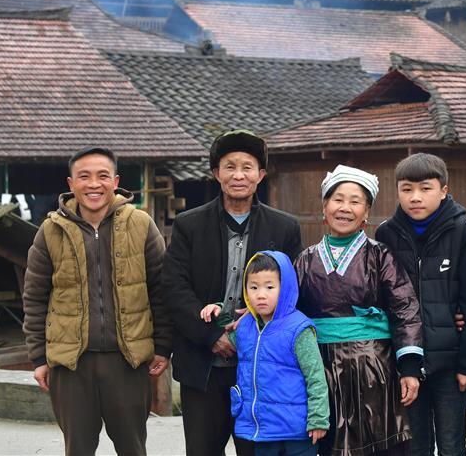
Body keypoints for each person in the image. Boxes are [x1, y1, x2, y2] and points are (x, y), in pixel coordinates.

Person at [23, 147, 171, 456]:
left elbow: (161, 289)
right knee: (78, 448)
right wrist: (38, 357)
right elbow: (35, 297)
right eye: (84, 177)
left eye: (103, 176)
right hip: (71, 364)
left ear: (115, 181)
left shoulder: (141, 224)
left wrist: (162, 345)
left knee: (133, 447)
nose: (94, 184)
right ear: (71, 183)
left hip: (127, 360)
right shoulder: (50, 232)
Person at [163, 129, 303, 456]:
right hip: (203, 363)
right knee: (202, 450)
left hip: (260, 365)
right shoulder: (189, 225)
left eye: (247, 167)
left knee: (255, 451)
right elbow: (174, 287)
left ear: (261, 175)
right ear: (216, 174)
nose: (238, 175)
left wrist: (256, 319)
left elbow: (294, 289)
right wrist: (211, 335)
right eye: (230, 167)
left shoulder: (284, 227)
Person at [294, 165, 424, 456]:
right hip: (321, 367)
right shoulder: (305, 260)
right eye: (337, 199)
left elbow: (405, 309)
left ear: (366, 213)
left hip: (374, 368)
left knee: (378, 443)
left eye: (355, 201)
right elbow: (288, 312)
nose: (345, 208)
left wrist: (411, 368)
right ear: (324, 207)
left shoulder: (380, 256)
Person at [375, 153, 466, 456]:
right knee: (414, 446)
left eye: (425, 188)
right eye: (407, 189)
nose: (415, 197)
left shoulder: (464, 229)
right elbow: (382, 299)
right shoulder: (386, 233)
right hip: (406, 363)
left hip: (450, 365)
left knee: (451, 445)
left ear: (444, 190)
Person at [228, 251, 329, 456]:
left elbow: (316, 377)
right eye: (253, 287)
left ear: (286, 288)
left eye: (270, 287)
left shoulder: (299, 329)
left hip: (297, 431)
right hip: (262, 428)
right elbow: (227, 331)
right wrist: (218, 310)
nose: (261, 294)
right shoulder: (246, 326)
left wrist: (318, 418)